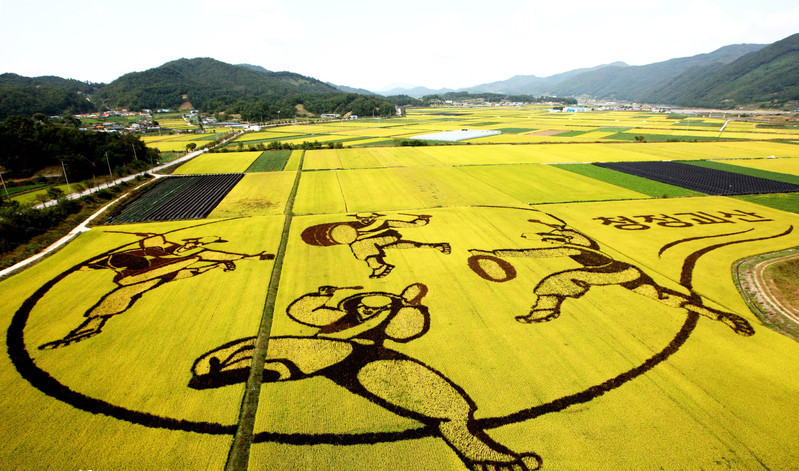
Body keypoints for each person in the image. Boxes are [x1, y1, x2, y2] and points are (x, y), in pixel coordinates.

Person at [190, 284, 542, 471]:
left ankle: (480, 452)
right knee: (303, 351)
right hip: (334, 351)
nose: (373, 309)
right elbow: (302, 310)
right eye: (367, 306)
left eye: (379, 306)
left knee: (451, 405)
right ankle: (244, 367)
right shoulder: (332, 320)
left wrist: (412, 306)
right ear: (355, 305)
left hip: (368, 356)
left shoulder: (394, 317)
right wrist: (329, 294)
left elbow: (407, 331)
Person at [469, 217, 755, 336]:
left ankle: (544, 310)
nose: (550, 240)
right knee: (661, 296)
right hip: (628, 271)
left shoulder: (572, 247)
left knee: (554, 281)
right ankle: (719, 315)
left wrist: (493, 250)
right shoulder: (588, 247)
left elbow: (536, 254)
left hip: (611, 273)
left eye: (553, 237)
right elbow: (562, 240)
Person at [39, 232, 274, 349]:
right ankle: (88, 327)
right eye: (198, 243)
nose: (197, 245)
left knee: (123, 295)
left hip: (158, 273)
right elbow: (162, 249)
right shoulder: (156, 250)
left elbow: (186, 262)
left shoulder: (171, 251)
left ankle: (89, 327)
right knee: (122, 295)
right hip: (145, 273)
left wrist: (212, 259)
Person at [301, 212, 451, 278]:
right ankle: (436, 246)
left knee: (359, 245)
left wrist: (421, 221)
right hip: (377, 242)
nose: (365, 221)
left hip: (386, 237)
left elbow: (408, 225)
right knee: (401, 245)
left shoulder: (382, 222)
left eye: (368, 218)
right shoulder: (350, 226)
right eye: (362, 219)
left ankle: (379, 266)